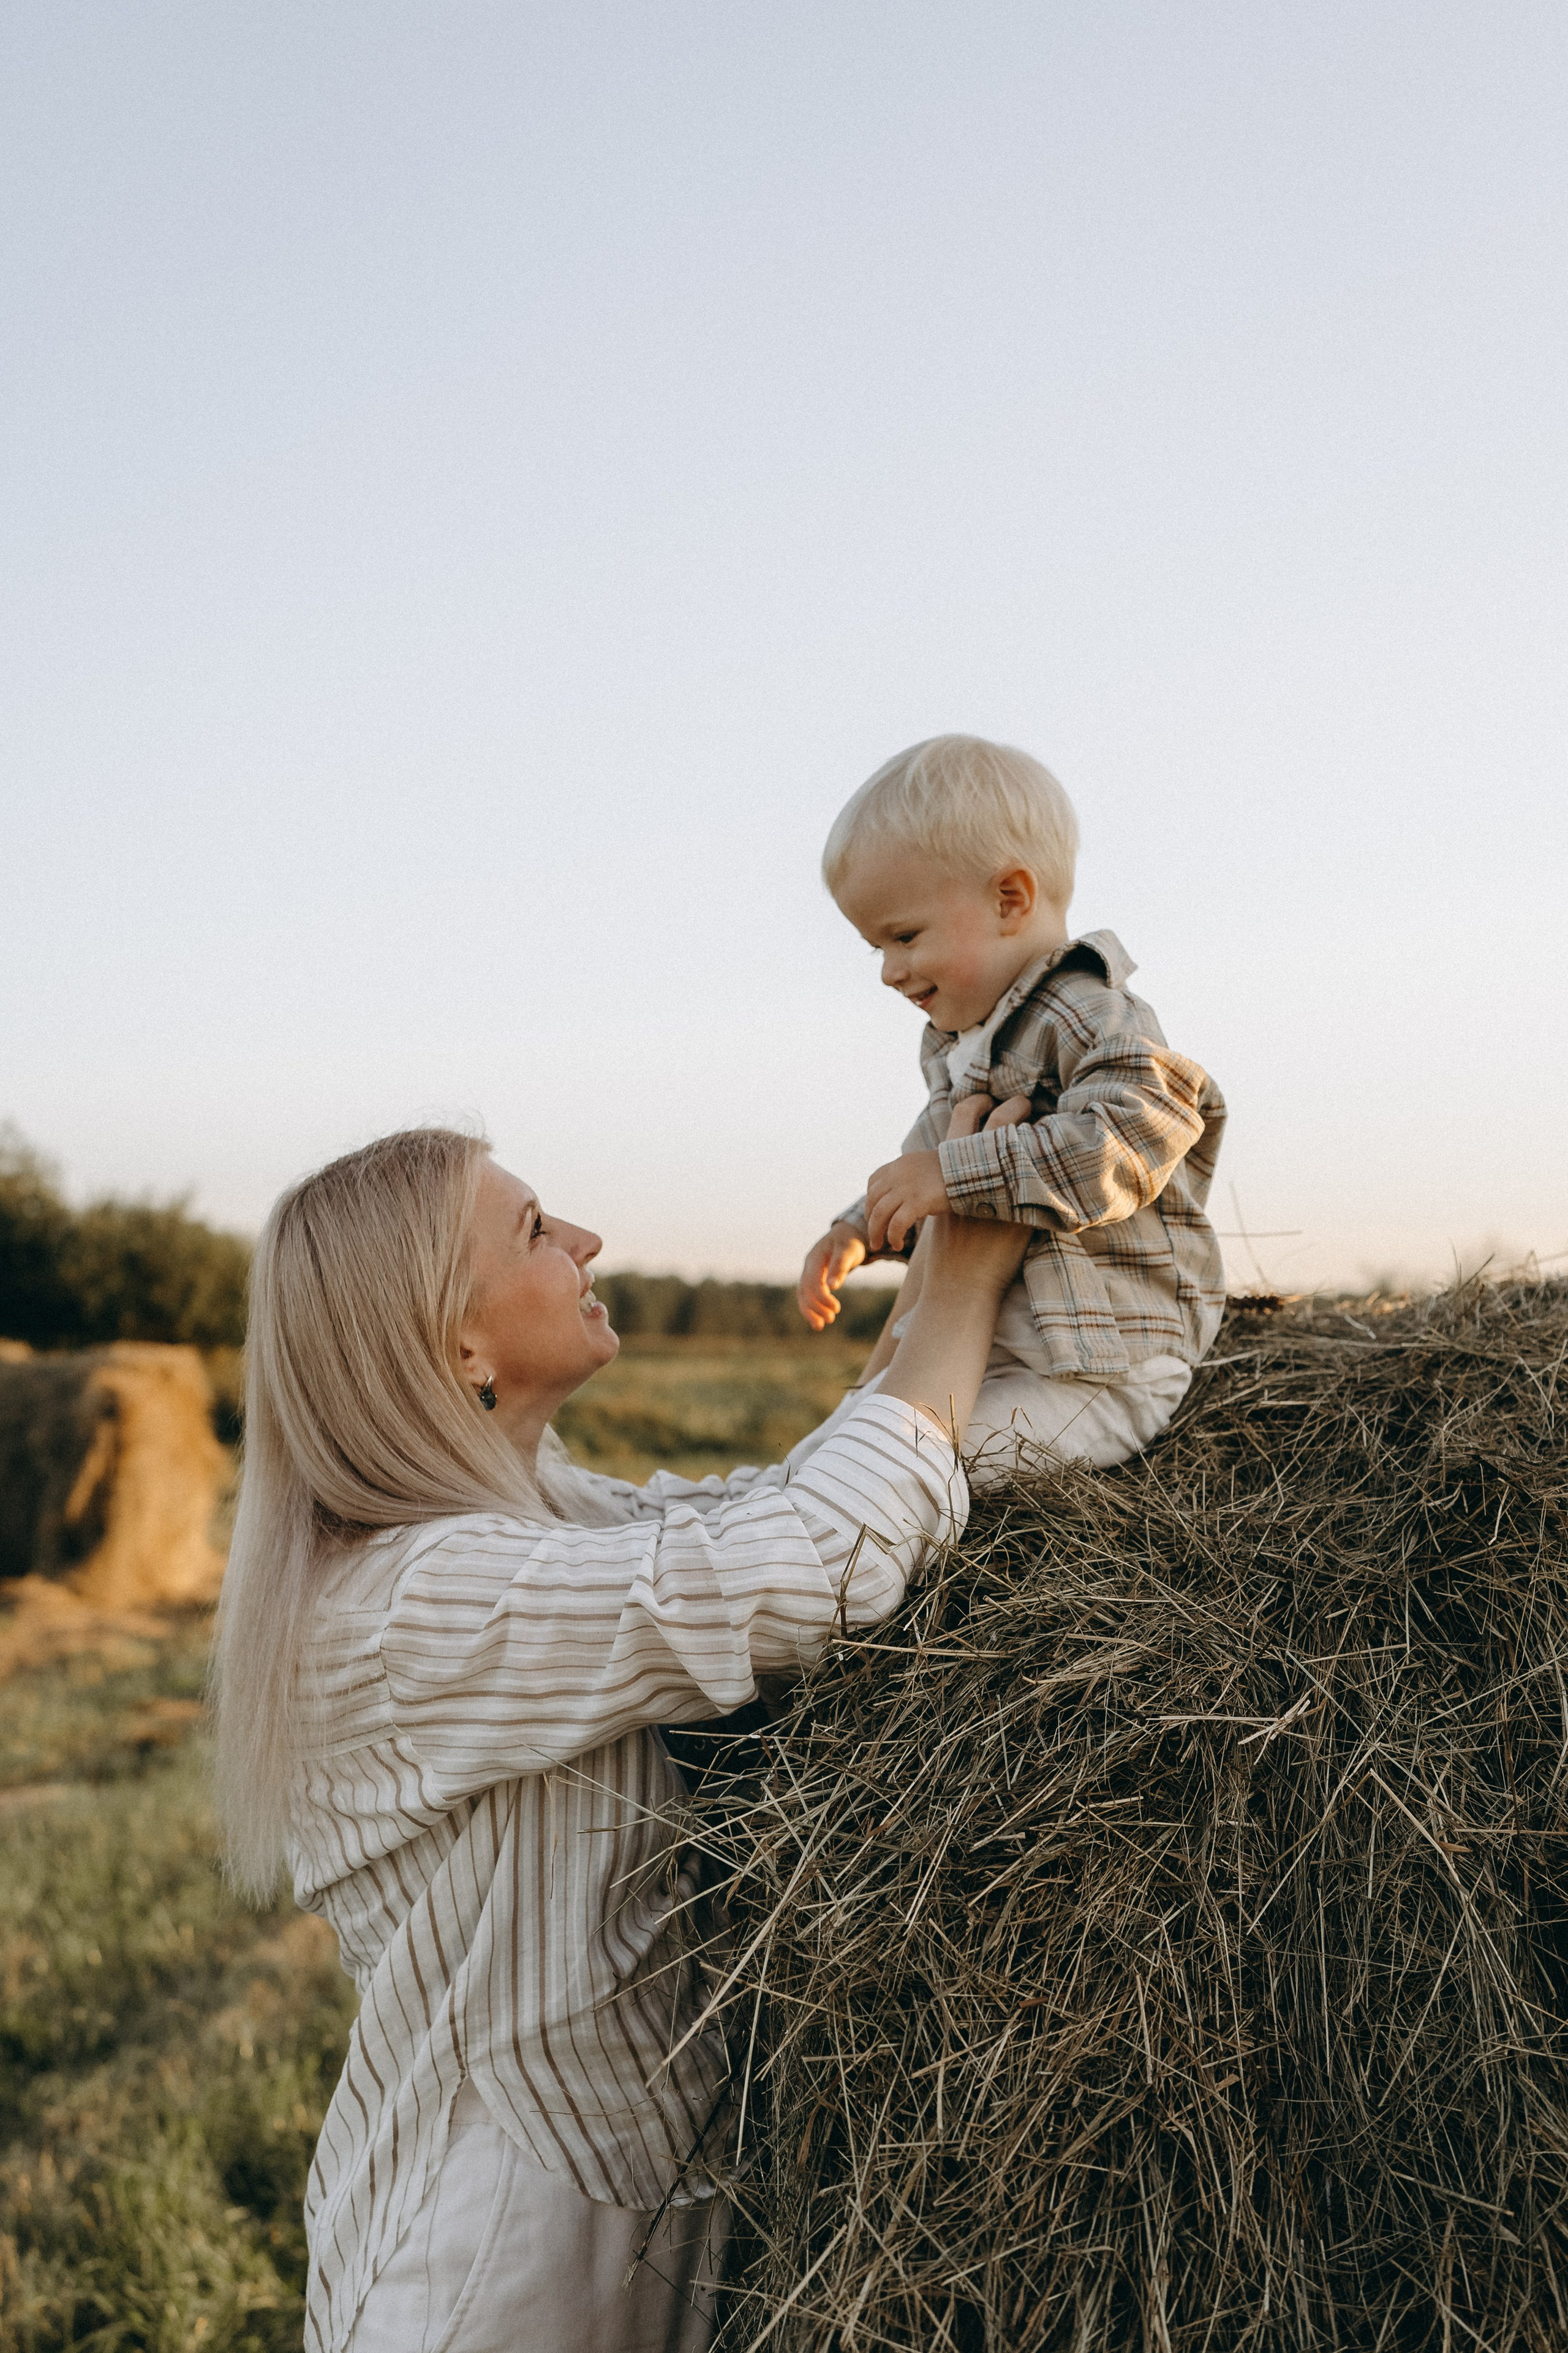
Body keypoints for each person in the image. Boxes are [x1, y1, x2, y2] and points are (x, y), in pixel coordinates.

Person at [212, 1120, 1030, 2353]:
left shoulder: (545, 1516)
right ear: (458, 1340)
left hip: (603, 2227)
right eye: (536, 1229)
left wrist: (928, 1260)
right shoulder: (415, 1602)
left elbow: (783, 1507)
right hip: (493, 2274)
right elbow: (813, 1564)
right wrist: (968, 1273)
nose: (587, 1241)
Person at [796, 733, 1227, 1482]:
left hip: (1101, 1364)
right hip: (1002, 1346)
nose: (890, 971)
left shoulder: (1092, 1013)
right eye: (875, 949)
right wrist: (860, 1226)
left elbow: (1129, 1138)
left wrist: (955, 1174)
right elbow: (925, 1162)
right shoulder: (963, 1044)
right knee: (840, 1451)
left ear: (1010, 900)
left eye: (904, 936)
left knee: (912, 1475)